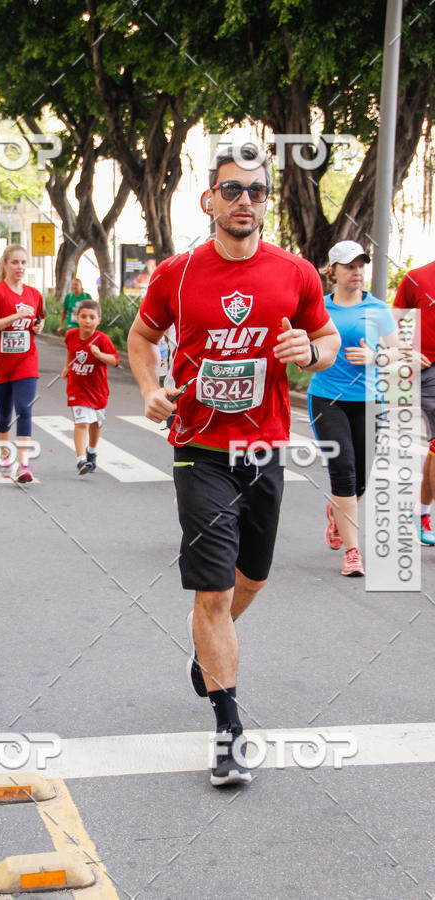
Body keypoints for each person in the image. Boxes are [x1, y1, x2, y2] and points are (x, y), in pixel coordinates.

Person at [128, 144, 340, 787]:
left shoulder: (297, 273)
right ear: (209, 200)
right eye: (231, 190)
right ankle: (228, 728)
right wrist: (147, 388)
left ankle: (206, 649)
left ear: (266, 203)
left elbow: (326, 341)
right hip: (199, 449)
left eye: (256, 191)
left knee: (252, 581)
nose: (244, 200)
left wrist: (314, 350)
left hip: (265, 448)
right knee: (214, 592)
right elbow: (141, 336)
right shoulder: (178, 273)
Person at [307, 241, 403, 576]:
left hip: (369, 401)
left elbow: (398, 352)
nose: (357, 272)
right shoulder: (318, 307)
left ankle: (337, 513)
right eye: (349, 266)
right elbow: (305, 347)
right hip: (327, 399)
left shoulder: (377, 308)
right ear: (332, 271)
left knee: (361, 478)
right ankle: (352, 552)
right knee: (344, 470)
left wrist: (376, 357)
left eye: (361, 265)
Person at [0, 245, 45, 483]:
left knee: (24, 408)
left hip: (26, 359)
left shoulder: (33, 293)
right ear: (5, 265)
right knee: (4, 412)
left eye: (23, 262)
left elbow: (38, 321)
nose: (20, 267)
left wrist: (38, 327)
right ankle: (5, 455)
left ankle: (24, 466)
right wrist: (16, 317)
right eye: (15, 262)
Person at [393, 260, 435, 546]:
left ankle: (421, 512)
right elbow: (390, 322)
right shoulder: (417, 278)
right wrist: (407, 353)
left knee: (434, 448)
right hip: (429, 368)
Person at [61, 300, 119, 474]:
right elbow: (70, 351)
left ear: (98, 320)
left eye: (92, 317)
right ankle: (81, 460)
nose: (87, 321)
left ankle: (91, 451)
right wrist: (66, 367)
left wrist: (99, 354)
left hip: (98, 390)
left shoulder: (102, 339)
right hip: (77, 389)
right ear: (77, 318)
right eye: (83, 316)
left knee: (95, 423)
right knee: (82, 423)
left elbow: (115, 361)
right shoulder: (71, 335)